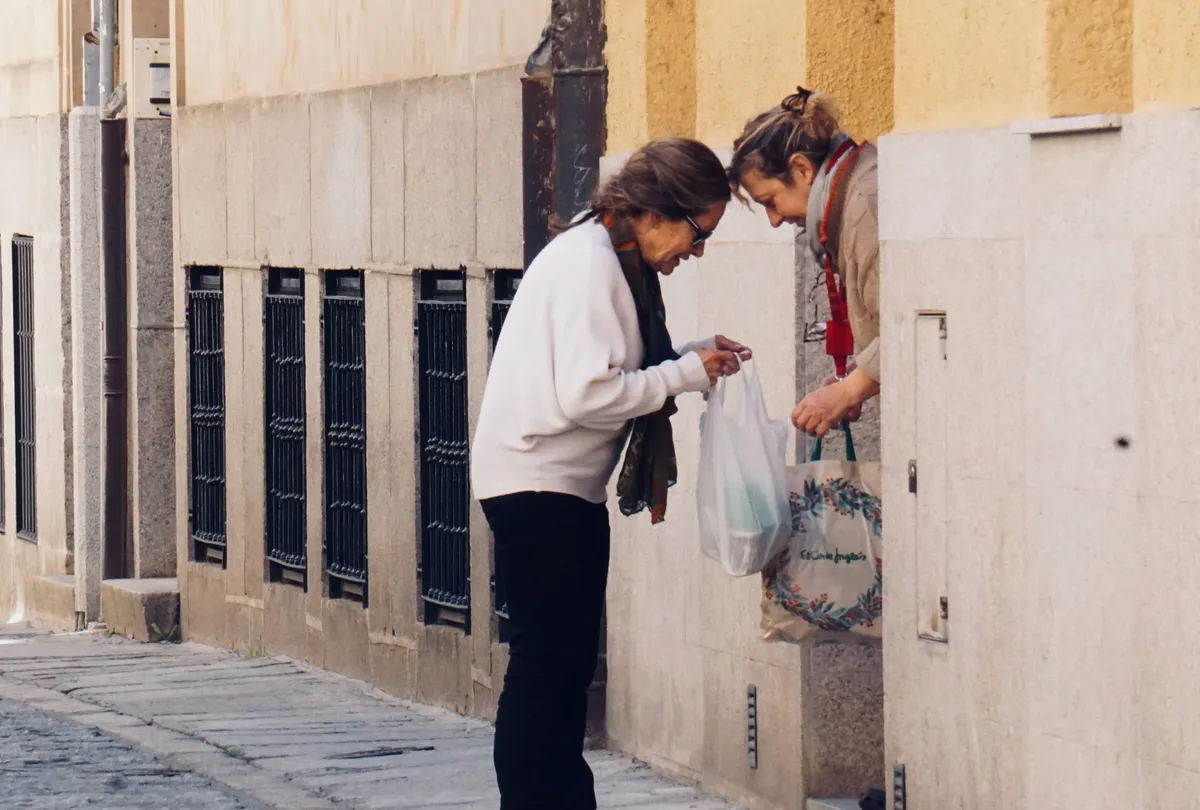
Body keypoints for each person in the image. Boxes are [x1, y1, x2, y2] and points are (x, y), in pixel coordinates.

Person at [472, 138, 751, 810]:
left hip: (557, 486)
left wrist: (693, 356)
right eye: (699, 233)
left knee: (563, 668)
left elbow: (620, 368)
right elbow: (589, 394)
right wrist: (684, 373)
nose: (697, 252)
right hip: (538, 485)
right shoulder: (592, 264)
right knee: (546, 667)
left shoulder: (609, 257)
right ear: (655, 211)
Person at [727, 87, 880, 438]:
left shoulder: (864, 208)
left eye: (770, 201)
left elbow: (906, 328)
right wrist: (857, 378)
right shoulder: (851, 196)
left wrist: (849, 390)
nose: (774, 220)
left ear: (801, 169)